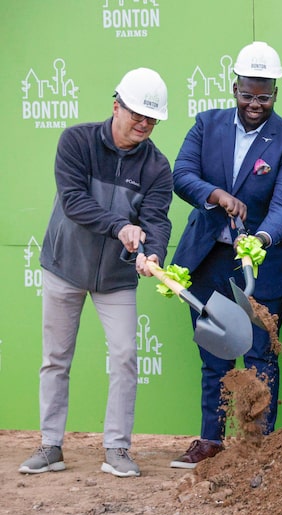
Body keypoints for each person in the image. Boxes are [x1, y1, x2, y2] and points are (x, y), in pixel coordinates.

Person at [18, 68, 173, 477]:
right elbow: (73, 201)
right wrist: (121, 226)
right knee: (55, 358)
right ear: (116, 105)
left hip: (116, 279)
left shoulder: (157, 166)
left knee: (124, 356)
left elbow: (157, 220)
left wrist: (153, 254)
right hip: (64, 267)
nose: (144, 124)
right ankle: (50, 446)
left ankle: (117, 449)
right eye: (137, 114)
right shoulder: (76, 141)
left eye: (151, 119)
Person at [169, 41, 282, 468]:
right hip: (208, 259)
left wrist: (261, 239)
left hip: (262, 266)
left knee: (260, 357)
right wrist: (215, 195)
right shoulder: (206, 125)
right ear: (234, 88)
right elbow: (182, 175)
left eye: (263, 95)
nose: (254, 103)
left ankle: (257, 448)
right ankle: (210, 442)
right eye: (247, 94)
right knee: (214, 352)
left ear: (275, 93)